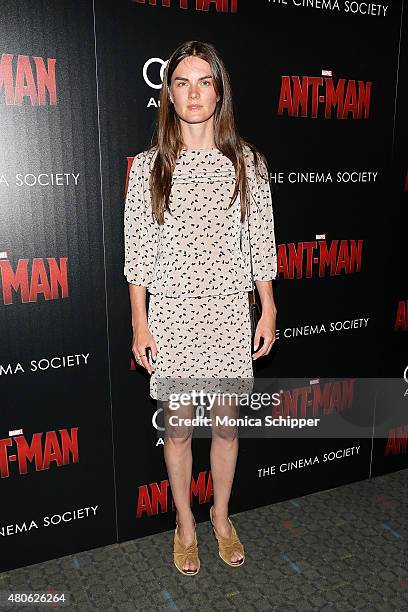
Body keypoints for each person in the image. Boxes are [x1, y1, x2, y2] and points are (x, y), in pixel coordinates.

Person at [124, 40, 277, 576]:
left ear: (219, 91)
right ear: (168, 93)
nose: (194, 93)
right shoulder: (148, 168)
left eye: (204, 81)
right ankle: (185, 522)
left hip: (229, 315)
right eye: (183, 82)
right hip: (172, 317)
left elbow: (260, 241)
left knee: (228, 427)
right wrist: (140, 321)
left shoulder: (247, 163)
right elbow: (138, 253)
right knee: (180, 429)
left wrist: (268, 307)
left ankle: (222, 515)